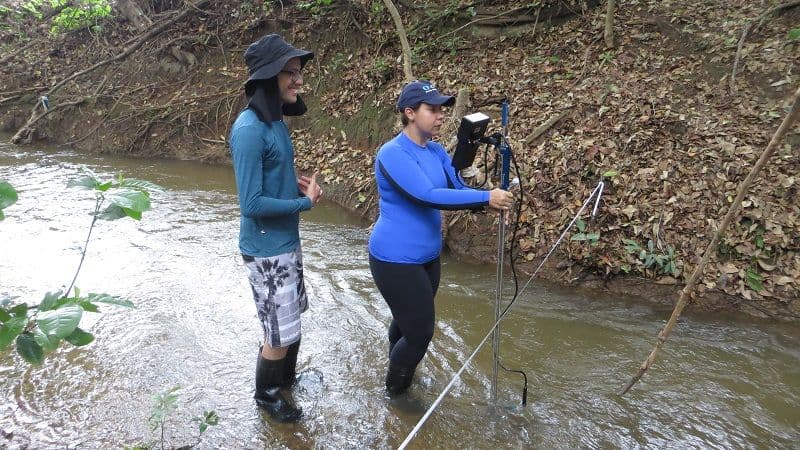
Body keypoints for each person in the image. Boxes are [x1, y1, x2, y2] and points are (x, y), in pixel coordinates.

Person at [368, 80, 514, 396]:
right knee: (420, 333)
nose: (440, 116)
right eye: (432, 109)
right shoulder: (392, 153)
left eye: (442, 109)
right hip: (395, 260)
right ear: (409, 113)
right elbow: (427, 195)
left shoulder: (434, 151)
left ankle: (398, 367)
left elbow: (458, 191)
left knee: (406, 323)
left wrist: (490, 199)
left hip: (427, 259)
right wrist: (487, 197)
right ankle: (395, 393)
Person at [229, 34, 322, 422]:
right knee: (277, 331)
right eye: (291, 73)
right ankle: (267, 397)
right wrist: (305, 202)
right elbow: (251, 205)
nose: (298, 81)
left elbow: (268, 181)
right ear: (269, 77)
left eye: (299, 72)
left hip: (286, 241)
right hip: (267, 250)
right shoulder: (249, 130)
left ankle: (283, 380)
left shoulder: (274, 121)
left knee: (290, 320)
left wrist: (290, 185)